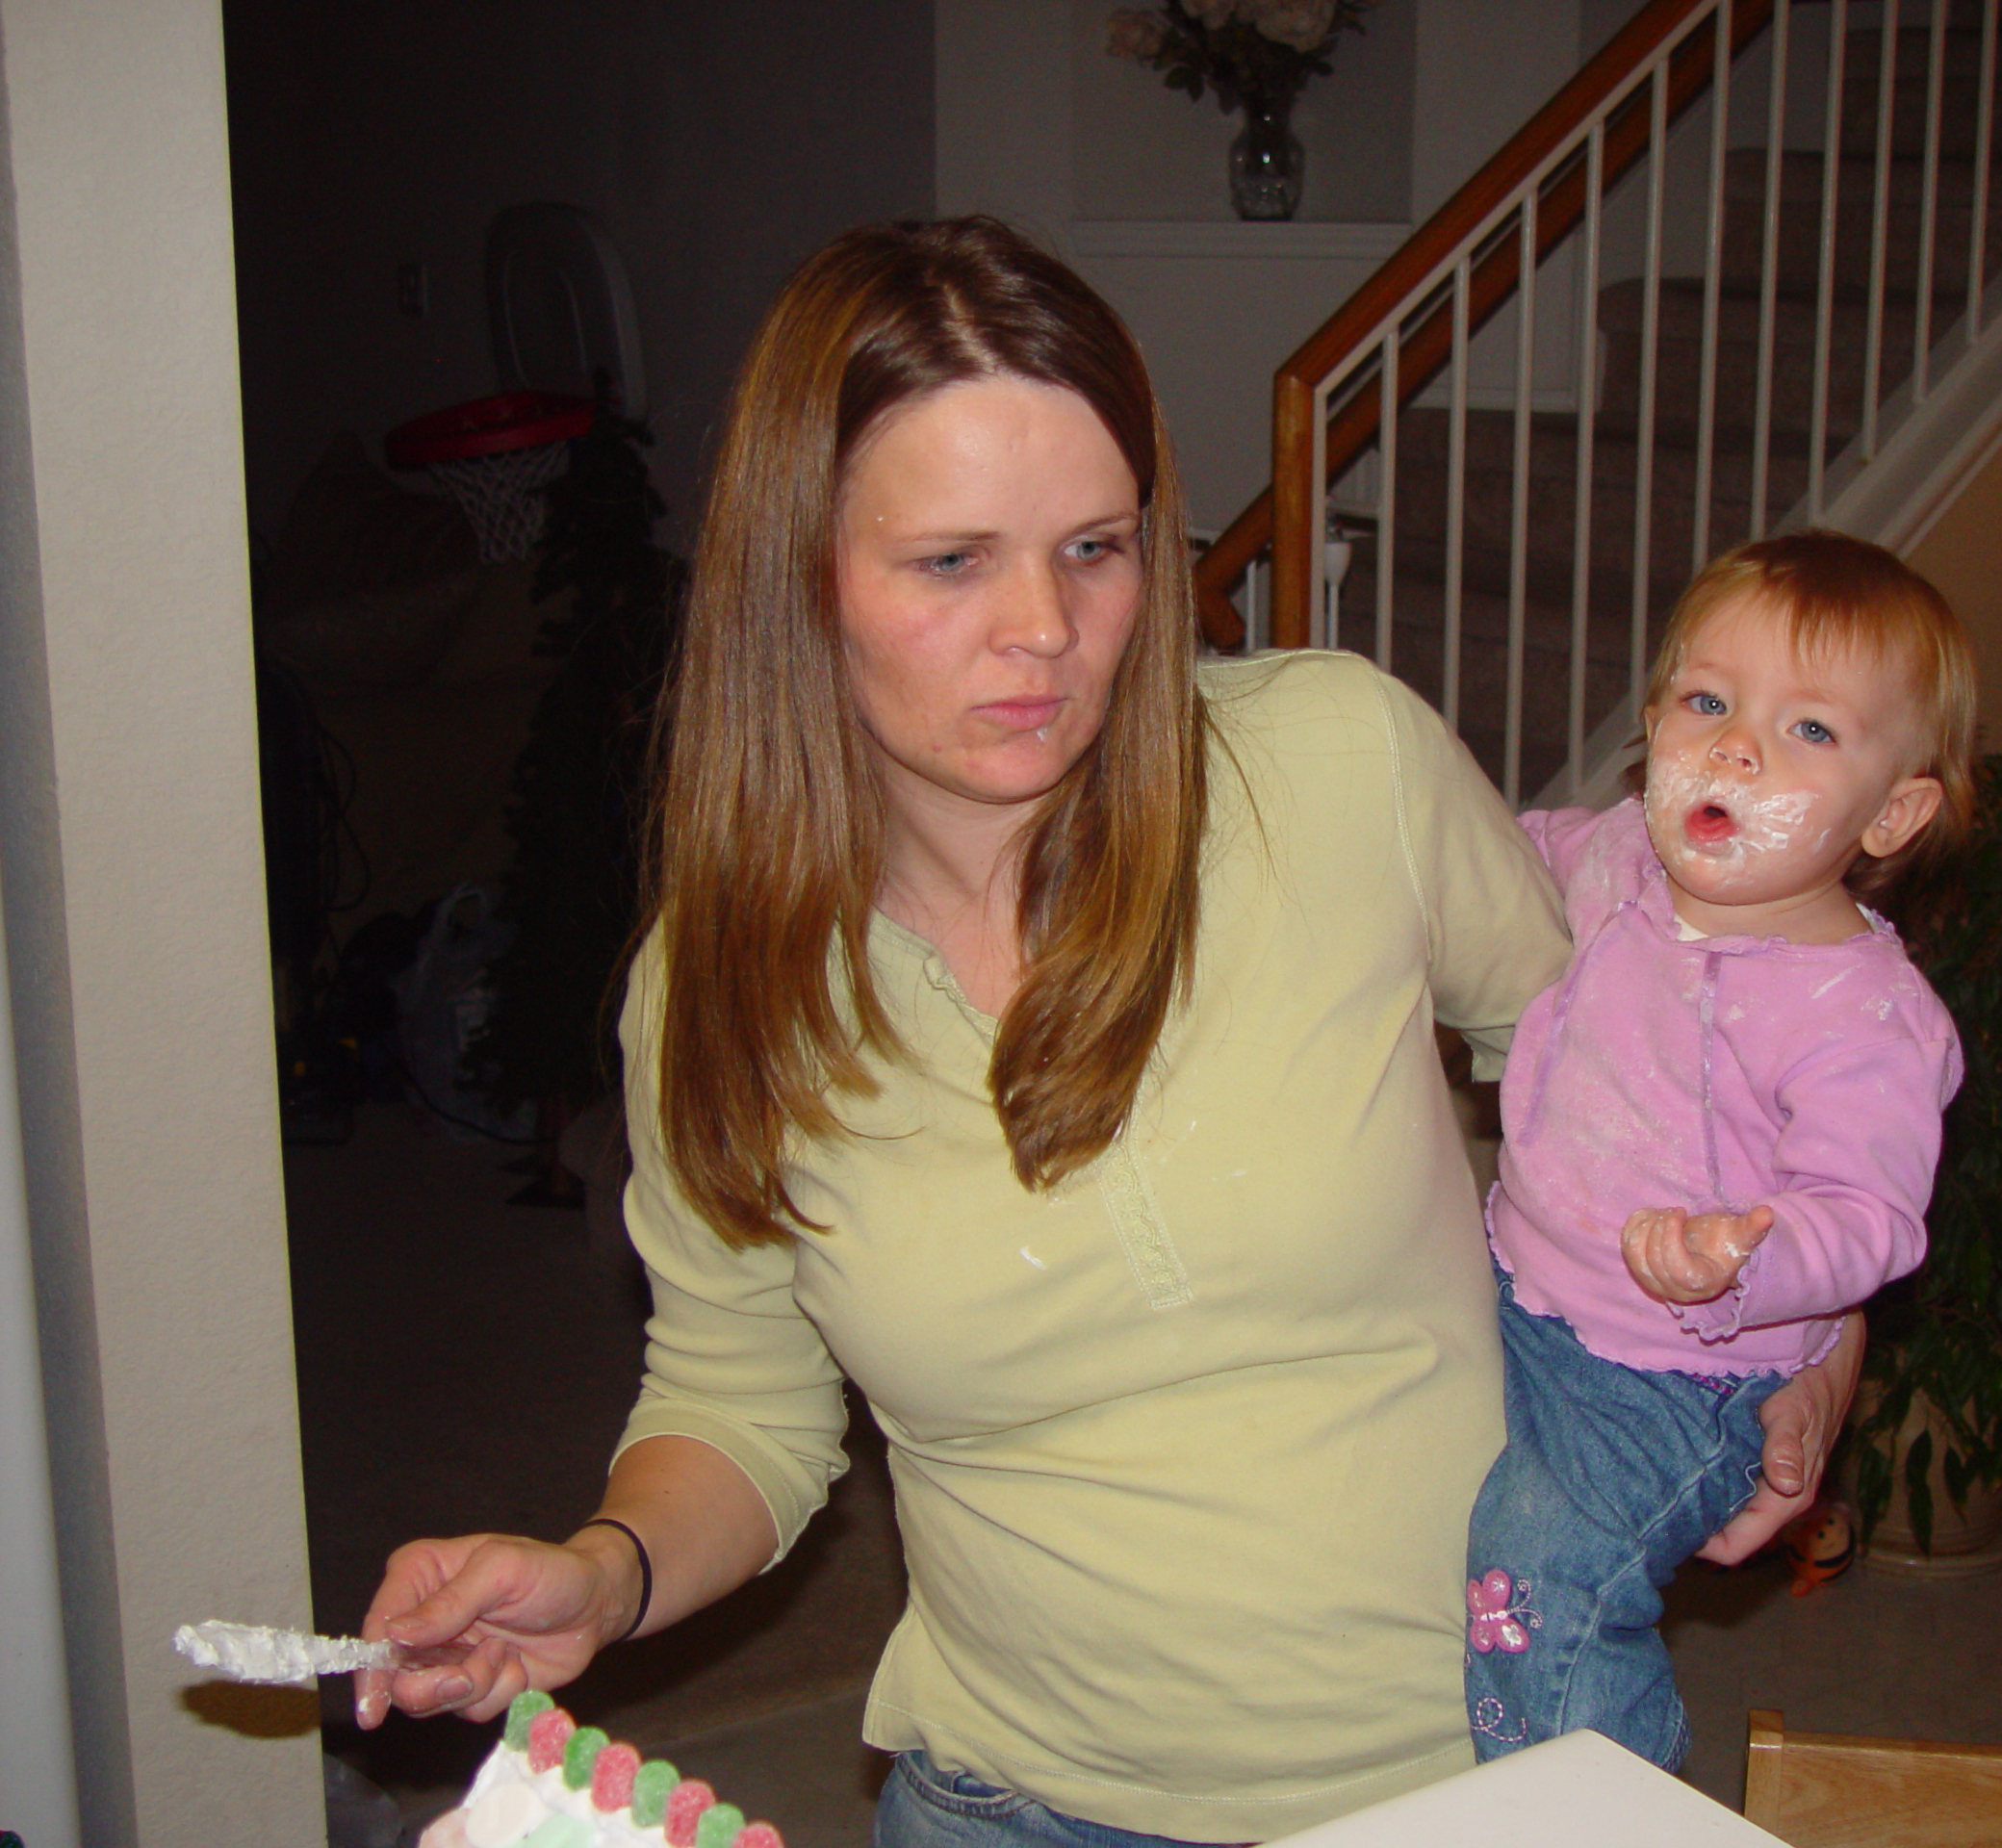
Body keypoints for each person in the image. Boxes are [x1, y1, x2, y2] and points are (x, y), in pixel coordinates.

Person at [353, 218, 1861, 1847]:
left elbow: (1668, 1069)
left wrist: (1820, 1320)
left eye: (1096, 546)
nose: (1047, 631)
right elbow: (738, 1406)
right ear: (800, 577)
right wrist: (600, 1573)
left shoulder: (1336, 765)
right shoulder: (718, 995)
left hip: (1481, 1771)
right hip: (1020, 1807)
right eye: (951, 561)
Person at [1462, 532, 1976, 1771]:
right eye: (1707, 703)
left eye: (1809, 731)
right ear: (1653, 730)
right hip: (1512, 1290)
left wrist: (1747, 1257)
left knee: (1540, 1590)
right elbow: (1493, 858)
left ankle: (1609, 1812)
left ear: (1893, 810)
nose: (1736, 746)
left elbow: (1869, 1216)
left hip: (1676, 1375)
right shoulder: (1616, 863)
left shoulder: (1864, 1015)